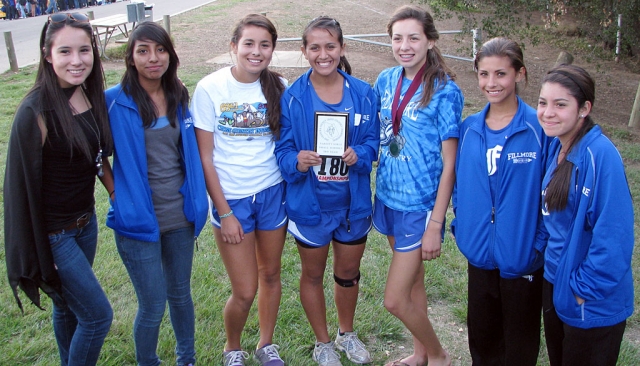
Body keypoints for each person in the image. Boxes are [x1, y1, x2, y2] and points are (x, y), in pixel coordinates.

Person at [4, 12, 113, 365]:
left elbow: (95, 155)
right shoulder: (35, 111)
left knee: (68, 309)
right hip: (53, 236)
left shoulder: (87, 94)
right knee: (97, 317)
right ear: (47, 54)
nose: (77, 60)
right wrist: (38, 248)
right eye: (65, 51)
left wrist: (115, 193)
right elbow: (20, 193)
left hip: (86, 226)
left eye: (84, 50)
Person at [274, 16, 379, 366]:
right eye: (315, 47)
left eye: (330, 46)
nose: (323, 54)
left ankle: (346, 333)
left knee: (348, 275)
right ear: (304, 51)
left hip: (352, 205)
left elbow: (372, 145)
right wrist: (298, 161)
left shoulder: (364, 93)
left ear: (342, 48)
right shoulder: (293, 97)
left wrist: (359, 154)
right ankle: (323, 343)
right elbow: (282, 152)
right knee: (313, 274)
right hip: (311, 205)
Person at [105, 22, 208, 366]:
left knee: (180, 295)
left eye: (161, 50)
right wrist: (115, 191)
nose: (153, 58)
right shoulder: (113, 101)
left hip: (179, 214)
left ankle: (187, 358)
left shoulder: (178, 94)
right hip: (137, 220)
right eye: (143, 51)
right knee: (152, 304)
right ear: (131, 58)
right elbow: (90, 151)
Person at [192, 13, 288, 366]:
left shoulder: (280, 85)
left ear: (272, 50)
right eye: (248, 43)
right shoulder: (210, 88)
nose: (256, 51)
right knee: (245, 289)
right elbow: (205, 157)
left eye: (265, 45)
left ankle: (266, 344)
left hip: (272, 193)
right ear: (234, 47)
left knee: (271, 274)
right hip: (231, 198)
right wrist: (225, 212)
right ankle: (232, 347)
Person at [451, 37, 550, 366]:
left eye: (501, 74)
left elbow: (551, 194)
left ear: (519, 74)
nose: (491, 83)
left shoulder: (539, 128)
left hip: (522, 256)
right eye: (483, 74)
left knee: (519, 345)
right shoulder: (469, 129)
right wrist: (462, 227)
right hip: (479, 253)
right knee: (482, 338)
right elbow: (459, 183)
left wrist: (537, 244)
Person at [373, 5, 463, 366]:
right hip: (389, 197)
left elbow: (450, 162)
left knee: (394, 299)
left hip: (419, 207)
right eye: (398, 38)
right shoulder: (386, 79)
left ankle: (439, 356)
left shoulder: (444, 90)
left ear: (429, 40)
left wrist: (436, 224)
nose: (405, 45)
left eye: (413, 37)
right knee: (414, 286)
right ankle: (419, 354)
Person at [538, 64, 634, 366]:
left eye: (560, 104)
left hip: (588, 301)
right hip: (556, 285)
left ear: (584, 108)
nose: (547, 112)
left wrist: (582, 291)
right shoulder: (558, 147)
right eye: (542, 103)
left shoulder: (600, 156)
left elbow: (615, 236)